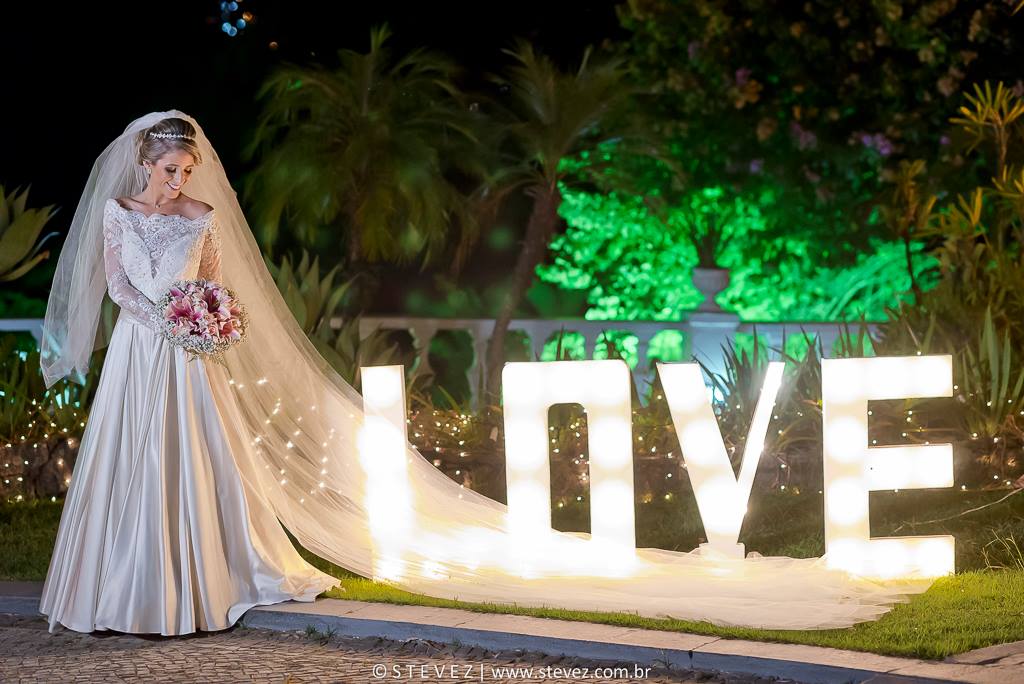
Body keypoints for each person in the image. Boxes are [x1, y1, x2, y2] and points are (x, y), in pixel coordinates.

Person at [37, 110, 927, 634]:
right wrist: (165, 321)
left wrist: (205, 315)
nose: (176, 181)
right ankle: (121, 589)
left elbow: (217, 282)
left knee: (193, 466)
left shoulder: (200, 214)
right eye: (167, 169)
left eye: (185, 169)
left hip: (187, 360)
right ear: (144, 164)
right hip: (145, 356)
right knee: (132, 465)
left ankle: (198, 585)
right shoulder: (118, 213)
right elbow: (116, 284)